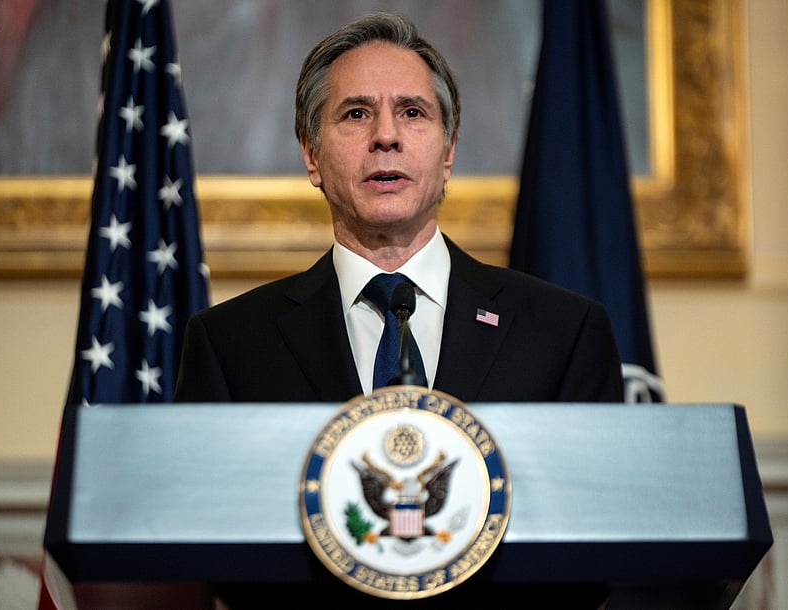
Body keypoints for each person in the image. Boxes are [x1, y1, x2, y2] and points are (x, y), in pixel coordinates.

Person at [175, 10, 621, 608]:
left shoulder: (563, 332)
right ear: (311, 154)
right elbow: (207, 553)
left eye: (413, 112)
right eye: (356, 113)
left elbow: (598, 550)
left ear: (447, 151)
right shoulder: (229, 344)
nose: (386, 135)